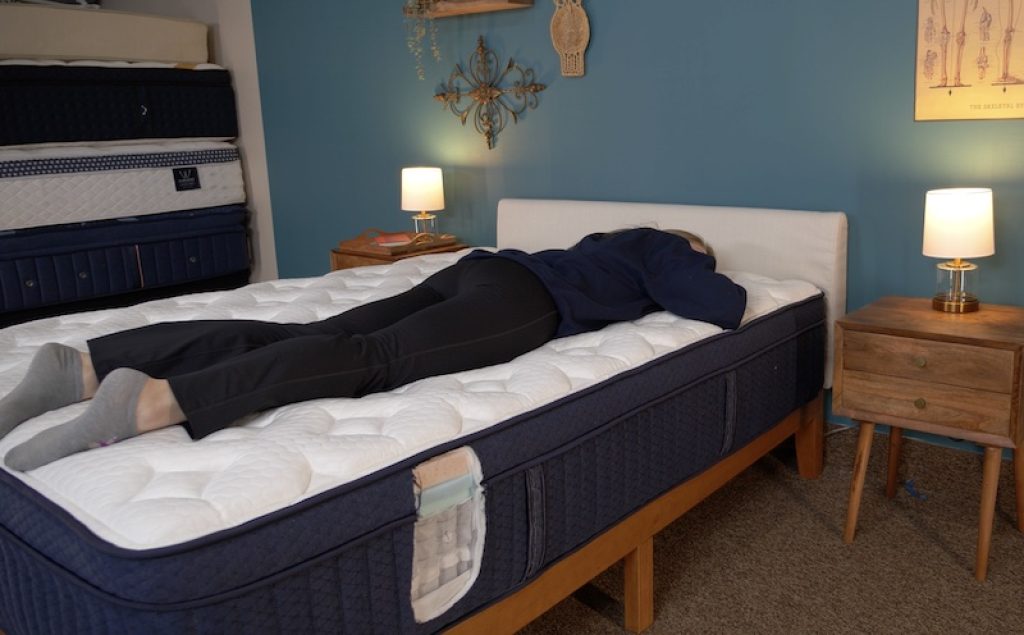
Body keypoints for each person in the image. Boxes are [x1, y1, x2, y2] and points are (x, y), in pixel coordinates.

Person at [0, 228, 746, 471]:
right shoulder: (661, 246)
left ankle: (84, 364)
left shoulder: (592, 243)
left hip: (476, 267)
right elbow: (722, 306)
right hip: (522, 303)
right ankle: (156, 400)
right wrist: (698, 261)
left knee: (320, 333)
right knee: (371, 361)